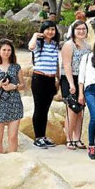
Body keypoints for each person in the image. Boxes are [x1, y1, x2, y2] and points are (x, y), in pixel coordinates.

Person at [28, 20, 60, 149]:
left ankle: (43, 136)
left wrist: (57, 79)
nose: (50, 32)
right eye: (47, 29)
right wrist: (36, 35)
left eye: (53, 29)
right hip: (39, 78)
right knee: (39, 108)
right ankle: (38, 138)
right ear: (43, 30)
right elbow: (30, 46)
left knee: (46, 109)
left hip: (51, 80)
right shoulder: (38, 44)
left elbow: (56, 63)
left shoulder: (55, 44)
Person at [60, 21, 91, 150]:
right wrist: (71, 83)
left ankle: (77, 138)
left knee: (80, 111)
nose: (81, 31)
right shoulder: (69, 45)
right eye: (78, 29)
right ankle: (69, 138)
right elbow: (67, 64)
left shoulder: (88, 46)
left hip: (82, 79)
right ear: (73, 31)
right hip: (69, 78)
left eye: (84, 29)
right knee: (71, 111)